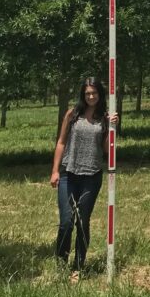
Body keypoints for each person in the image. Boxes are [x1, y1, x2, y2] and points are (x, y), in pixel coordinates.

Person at [50, 76, 118, 276]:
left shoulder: (104, 118)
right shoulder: (72, 114)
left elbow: (107, 149)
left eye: (94, 93)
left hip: (91, 176)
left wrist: (112, 128)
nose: (90, 96)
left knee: (82, 221)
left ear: (100, 94)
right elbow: (61, 142)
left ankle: (78, 267)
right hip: (68, 174)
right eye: (87, 93)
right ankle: (61, 264)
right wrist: (55, 171)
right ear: (83, 94)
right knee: (66, 222)